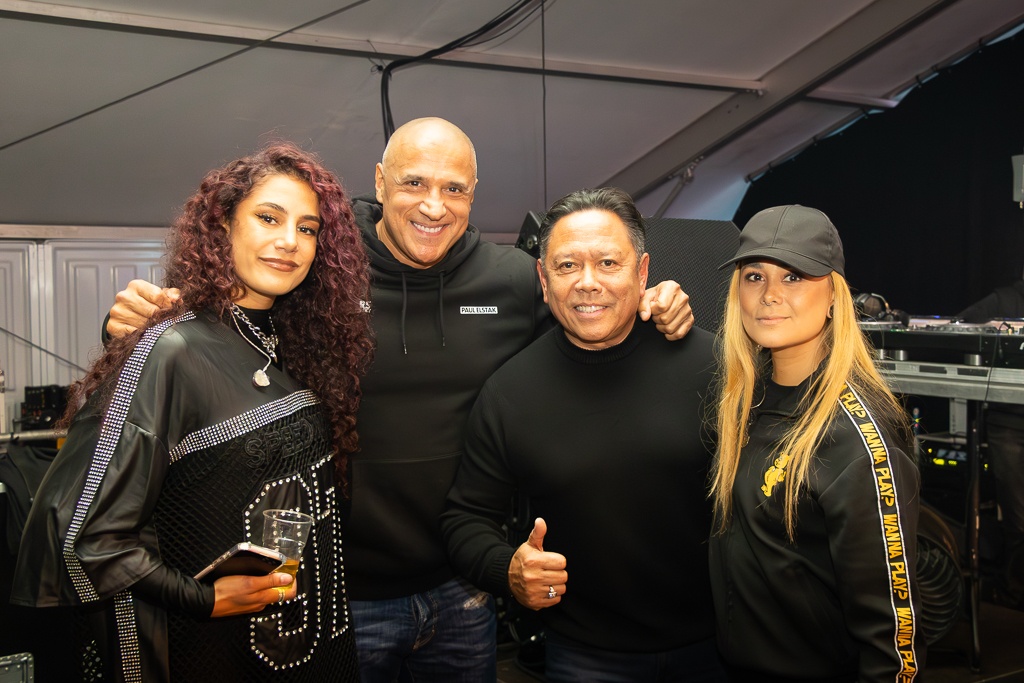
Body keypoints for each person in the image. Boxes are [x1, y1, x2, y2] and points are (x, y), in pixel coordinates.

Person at [103, 117, 695, 681]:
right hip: (341, 590)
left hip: (463, 589)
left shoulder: (515, 279)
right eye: (414, 183)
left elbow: (589, 317)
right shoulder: (323, 267)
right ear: (381, 182)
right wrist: (135, 325)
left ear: (474, 194)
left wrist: (653, 304)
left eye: (454, 189)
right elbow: (226, 327)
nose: (434, 206)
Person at [12, 143, 371, 682]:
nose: (289, 241)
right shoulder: (172, 348)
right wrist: (204, 599)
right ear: (223, 224)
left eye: (307, 228)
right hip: (214, 651)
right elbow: (87, 535)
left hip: (311, 643)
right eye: (268, 218)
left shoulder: (300, 344)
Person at [440, 187, 726, 682]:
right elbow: (465, 518)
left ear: (642, 273)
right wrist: (508, 569)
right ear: (543, 280)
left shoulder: (714, 365)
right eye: (567, 266)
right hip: (585, 656)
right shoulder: (511, 392)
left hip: (719, 646)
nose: (587, 283)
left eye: (608, 263)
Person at [709, 205, 924, 682]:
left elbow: (892, 641)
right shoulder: (742, 403)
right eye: (754, 276)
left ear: (833, 297)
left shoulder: (856, 438)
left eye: (793, 277)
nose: (769, 295)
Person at [957, 280, 1024, 608]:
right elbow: (960, 326)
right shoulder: (1005, 299)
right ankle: (1014, 587)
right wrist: (994, 329)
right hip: (1008, 422)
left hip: (1008, 424)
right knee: (1017, 514)